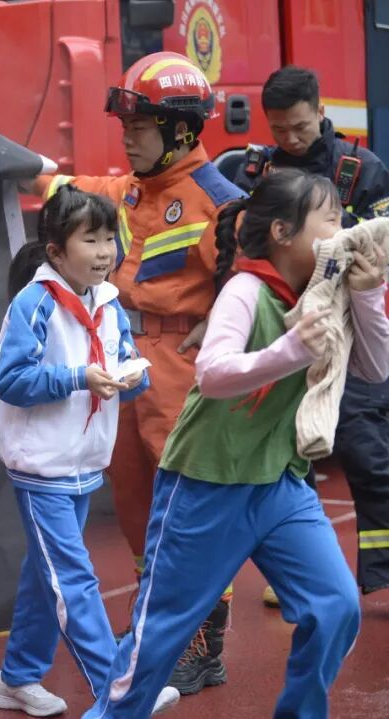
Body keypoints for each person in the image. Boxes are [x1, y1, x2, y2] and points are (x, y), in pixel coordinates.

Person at [83, 168, 389, 719]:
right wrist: (292, 349)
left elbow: (374, 369)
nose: (343, 229)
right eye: (329, 219)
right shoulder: (245, 290)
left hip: (280, 483)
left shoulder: (328, 292)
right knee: (161, 633)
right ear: (283, 233)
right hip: (206, 483)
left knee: (335, 607)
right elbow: (213, 374)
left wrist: (367, 297)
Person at [30, 51, 245, 693]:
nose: (127, 136)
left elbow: (258, 285)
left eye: (141, 125)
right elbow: (57, 186)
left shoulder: (222, 203)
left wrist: (225, 325)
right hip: (122, 363)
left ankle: (201, 644)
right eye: (126, 124)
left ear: (179, 129)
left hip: (182, 367)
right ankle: (160, 627)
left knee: (188, 509)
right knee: (135, 506)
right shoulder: (124, 191)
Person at [0, 186, 179, 717]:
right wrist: (78, 377)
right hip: (41, 465)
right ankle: (118, 687)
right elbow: (8, 378)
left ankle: (17, 677)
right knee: (72, 579)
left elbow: (121, 358)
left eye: (109, 239)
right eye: (89, 240)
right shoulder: (35, 303)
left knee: (44, 576)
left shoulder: (107, 301)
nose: (104, 252)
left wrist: (132, 376)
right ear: (56, 252)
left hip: (82, 461)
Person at [235, 65, 389, 604]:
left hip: (348, 327)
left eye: (299, 127)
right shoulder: (258, 170)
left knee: (367, 451)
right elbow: (243, 242)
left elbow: (381, 244)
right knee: (287, 453)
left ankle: (384, 570)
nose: (290, 138)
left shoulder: (361, 169)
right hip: (283, 326)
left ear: (320, 112)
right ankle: (300, 572)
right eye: (279, 129)